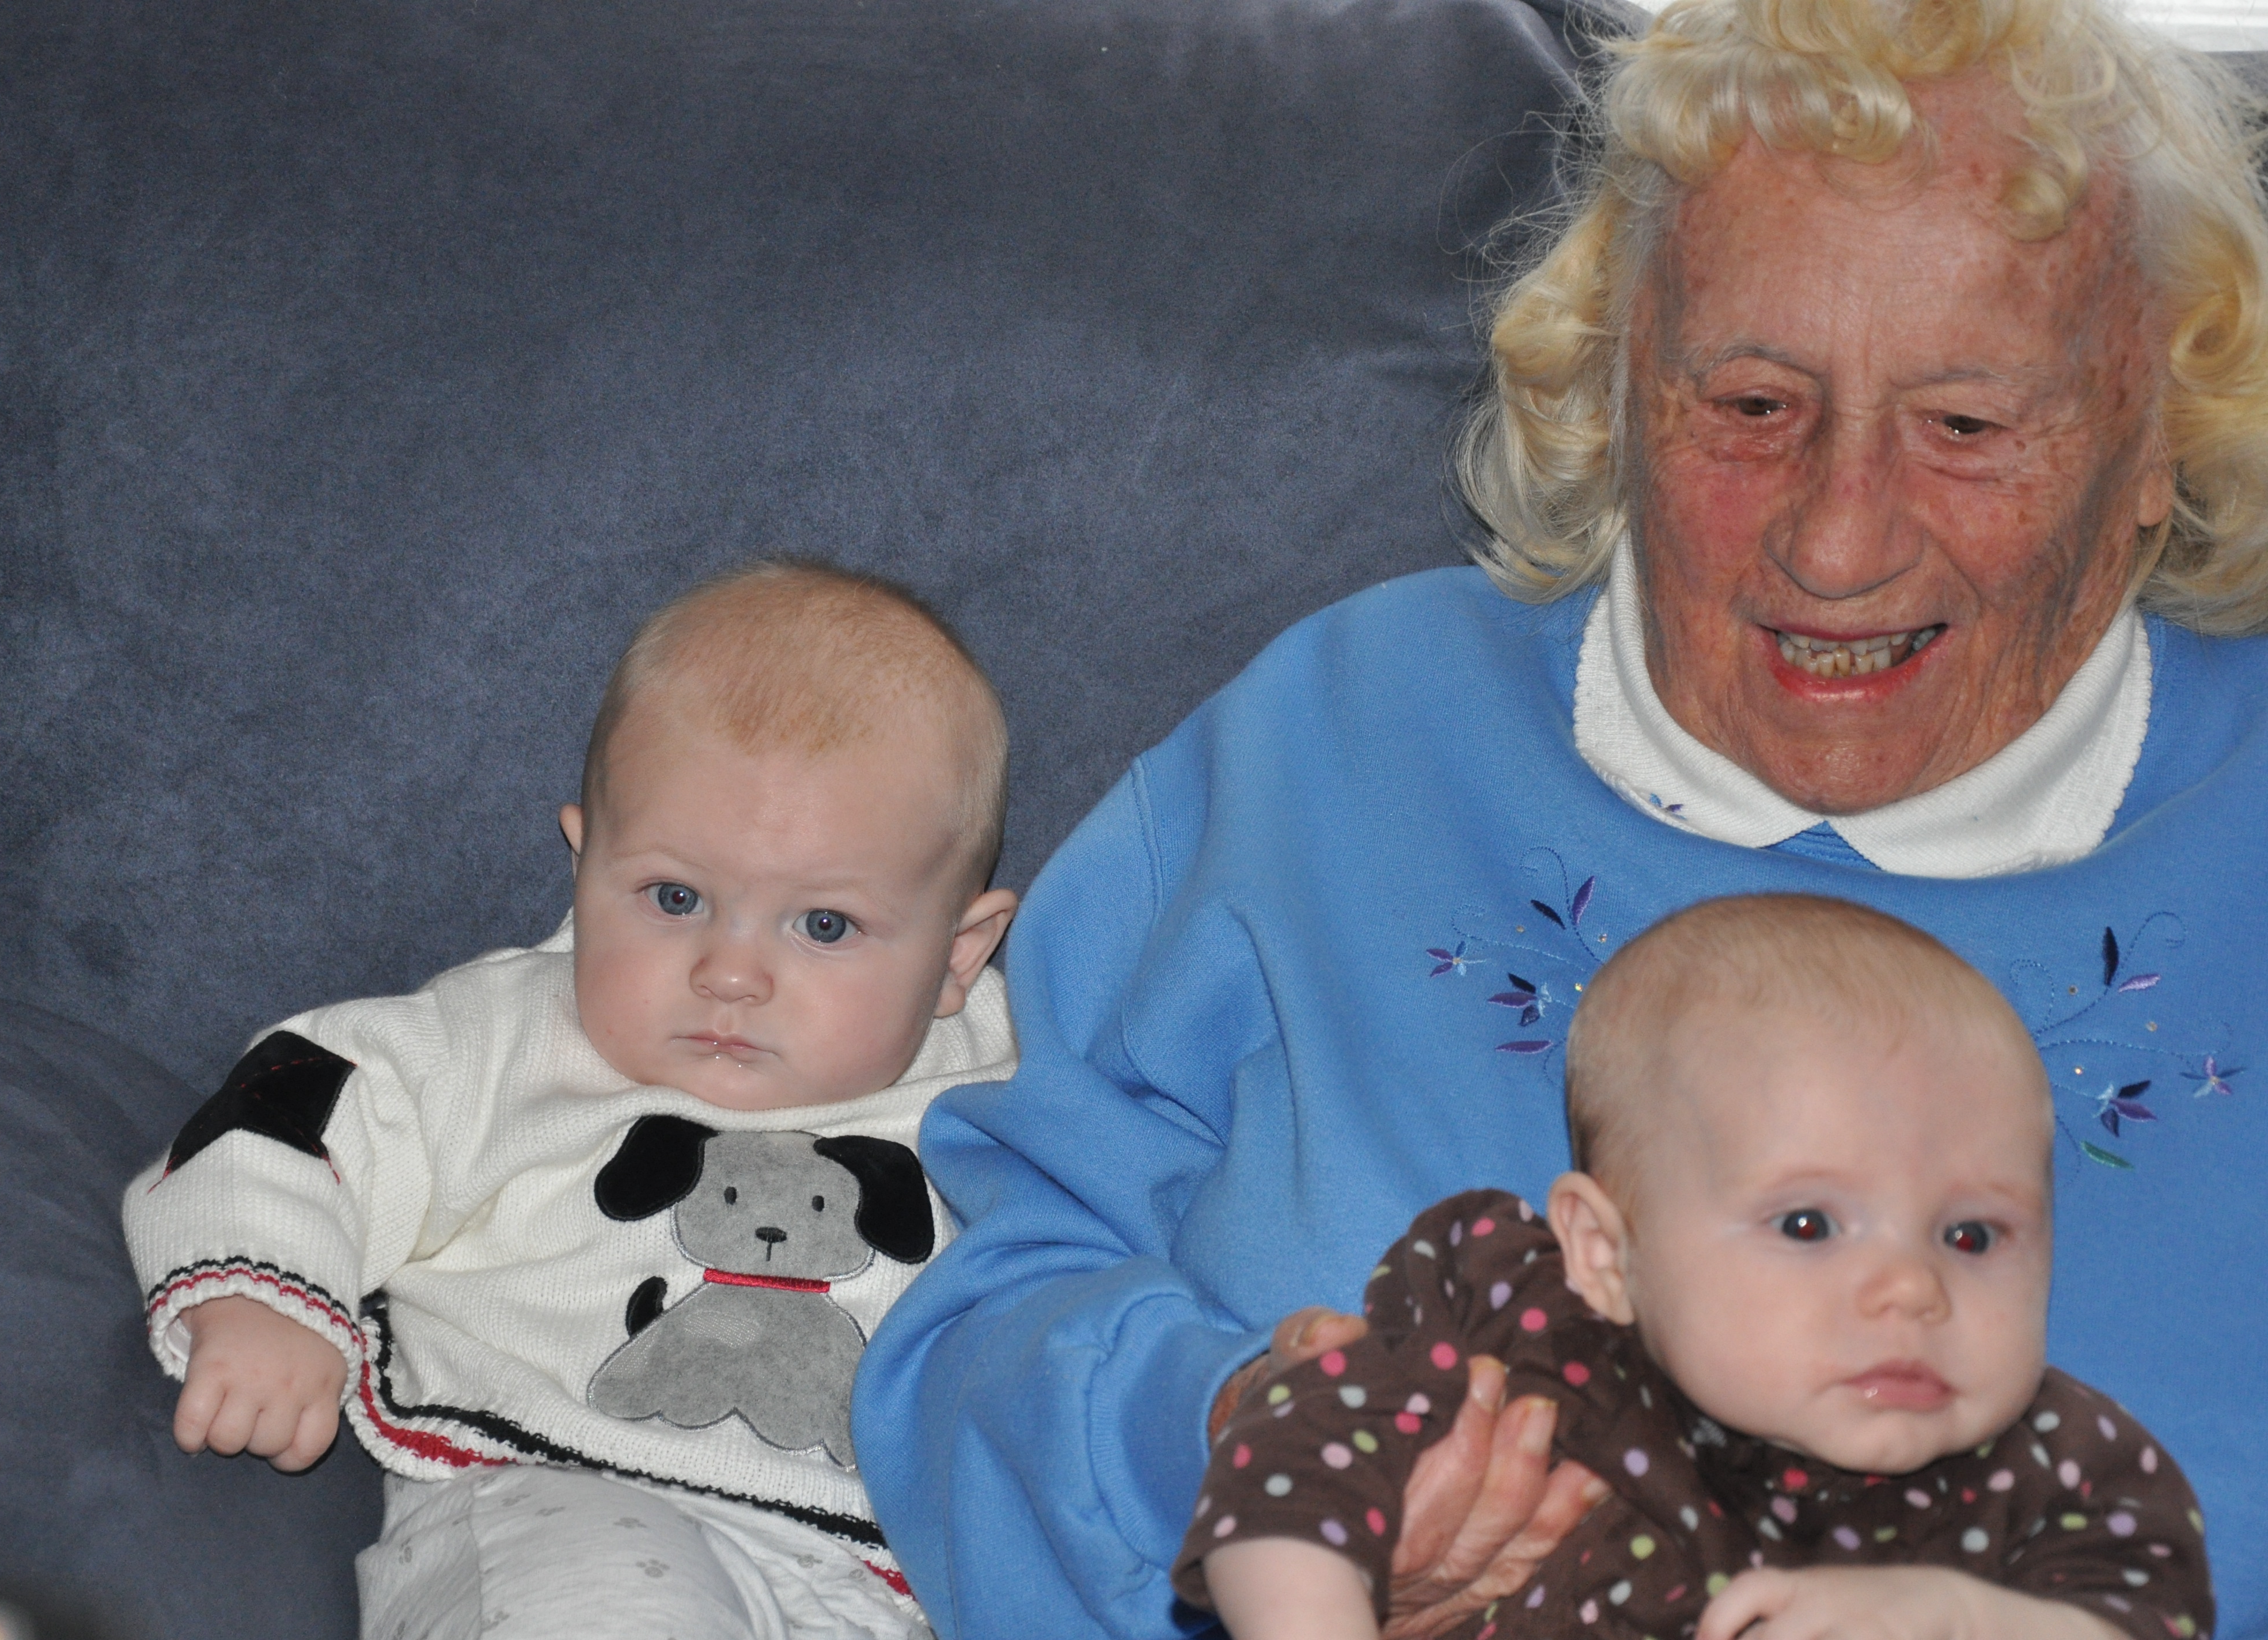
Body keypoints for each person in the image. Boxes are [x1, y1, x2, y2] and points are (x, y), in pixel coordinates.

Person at [850, 0, 2268, 1633]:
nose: (1837, 541)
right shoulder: (1339, 742)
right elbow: (983, 1311)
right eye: (1751, 405)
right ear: (1619, 382)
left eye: (1965, 426)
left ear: (2155, 441)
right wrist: (1233, 1448)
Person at [120, 561, 1020, 1640]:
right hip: (560, 1500)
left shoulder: (1012, 1093)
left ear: (959, 954)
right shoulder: (496, 1039)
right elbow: (290, 1110)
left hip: (880, 1582)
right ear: (586, 867)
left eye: (824, 925)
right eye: (674, 898)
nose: (731, 973)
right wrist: (262, 1297)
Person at [1177, 896, 2208, 1640]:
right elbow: (1293, 1459)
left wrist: (1967, 1619)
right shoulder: (1527, 1340)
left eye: (1973, 1236)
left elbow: (2147, 1614)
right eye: (1808, 1223)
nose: (1913, 1289)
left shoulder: (2061, 1465)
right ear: (1604, 1253)